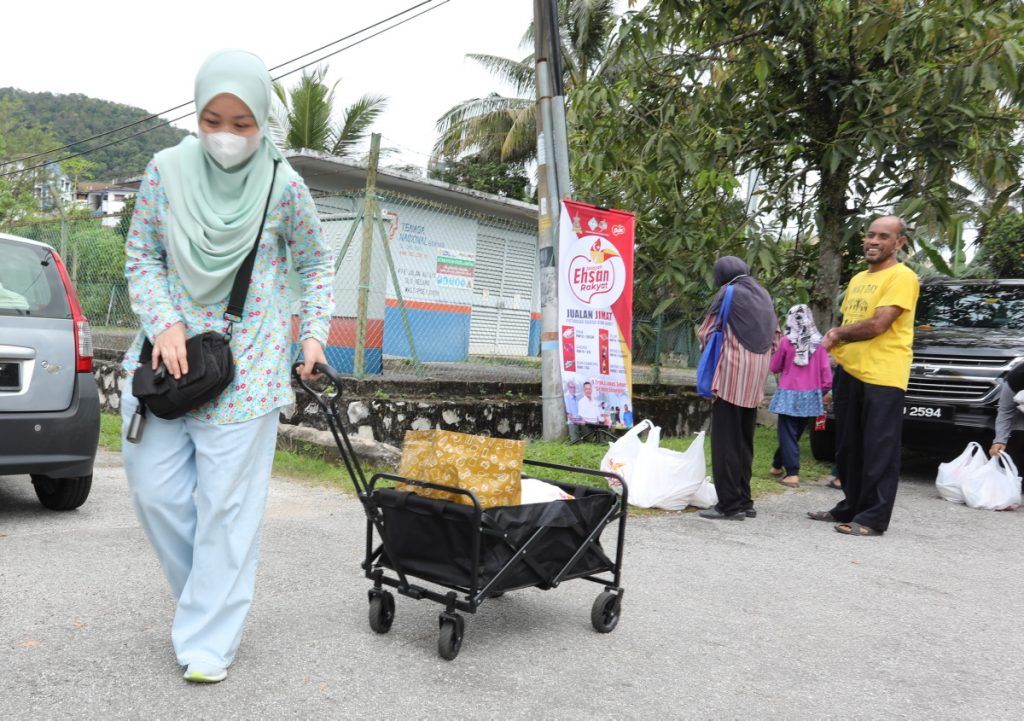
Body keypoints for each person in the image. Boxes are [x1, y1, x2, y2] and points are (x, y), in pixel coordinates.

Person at [120, 50, 334, 683]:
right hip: (168, 363)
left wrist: (313, 335)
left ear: (263, 121)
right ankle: (206, 605)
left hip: (250, 369)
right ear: (198, 113)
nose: (226, 135)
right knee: (155, 491)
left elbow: (316, 264)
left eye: (242, 124)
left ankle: (210, 640)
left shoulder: (283, 185)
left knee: (226, 511)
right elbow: (142, 255)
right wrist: (164, 319)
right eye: (213, 118)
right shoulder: (165, 171)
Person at [808, 216, 919, 537]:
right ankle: (851, 505)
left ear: (899, 243)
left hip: (883, 374)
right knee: (848, 447)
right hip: (851, 371)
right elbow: (855, 321)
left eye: (883, 237)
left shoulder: (902, 277)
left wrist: (836, 334)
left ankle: (872, 518)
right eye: (870, 235)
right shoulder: (858, 279)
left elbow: (878, 324)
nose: (873, 241)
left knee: (878, 449)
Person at [697, 256, 779, 521]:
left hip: (731, 376)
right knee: (744, 441)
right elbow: (776, 337)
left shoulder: (727, 292)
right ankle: (745, 501)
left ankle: (729, 506)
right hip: (755, 380)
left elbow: (707, 331)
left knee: (725, 442)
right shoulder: (764, 295)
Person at [768, 304, 833, 488]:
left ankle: (793, 474)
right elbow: (826, 376)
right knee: (793, 433)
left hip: (789, 393)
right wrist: (822, 392)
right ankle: (776, 465)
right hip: (811, 395)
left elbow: (774, 367)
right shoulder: (819, 344)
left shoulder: (787, 342)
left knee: (787, 433)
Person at [989, 364, 1024, 490]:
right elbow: (1005, 411)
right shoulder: (1017, 377)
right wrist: (1000, 440)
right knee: (1017, 440)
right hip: (1021, 415)